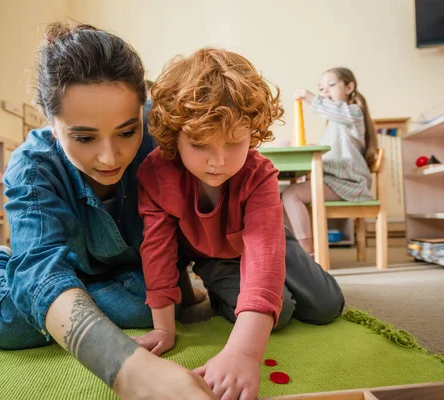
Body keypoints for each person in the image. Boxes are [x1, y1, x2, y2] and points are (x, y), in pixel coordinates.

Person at [0, 22, 215, 400]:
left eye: (127, 132)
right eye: (84, 137)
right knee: (11, 325)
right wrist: (126, 368)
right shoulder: (32, 166)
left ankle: (68, 290)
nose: (111, 157)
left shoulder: (161, 134)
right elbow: (43, 275)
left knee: (154, 306)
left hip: (127, 267)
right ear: (50, 121)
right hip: (62, 262)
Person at [134, 48, 345, 400]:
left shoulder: (258, 173)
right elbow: (156, 249)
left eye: (234, 143)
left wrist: (244, 353)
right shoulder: (155, 173)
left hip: (268, 240)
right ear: (175, 136)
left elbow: (264, 253)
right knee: (281, 312)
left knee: (327, 306)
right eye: (200, 144)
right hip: (213, 256)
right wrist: (164, 329)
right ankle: (219, 297)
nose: (218, 161)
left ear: (252, 134)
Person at [282, 67, 377, 256]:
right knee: (280, 197)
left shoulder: (353, 113)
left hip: (348, 183)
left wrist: (309, 96)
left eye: (331, 85)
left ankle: (306, 251)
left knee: (291, 195)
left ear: (349, 87)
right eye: (321, 89)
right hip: (333, 181)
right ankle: (293, 247)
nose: (325, 92)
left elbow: (334, 110)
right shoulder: (334, 125)